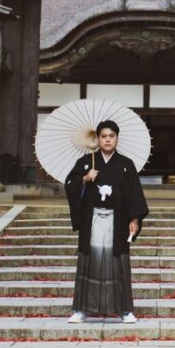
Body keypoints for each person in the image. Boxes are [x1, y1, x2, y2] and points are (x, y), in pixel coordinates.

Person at [64, 119, 149, 323]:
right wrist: (85, 178)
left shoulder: (126, 165)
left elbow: (135, 195)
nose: (108, 140)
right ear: (98, 139)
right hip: (92, 220)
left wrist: (135, 219)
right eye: (104, 136)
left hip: (117, 221)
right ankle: (81, 309)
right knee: (89, 262)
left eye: (111, 136)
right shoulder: (86, 162)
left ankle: (125, 310)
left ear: (117, 138)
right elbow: (69, 184)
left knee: (118, 263)